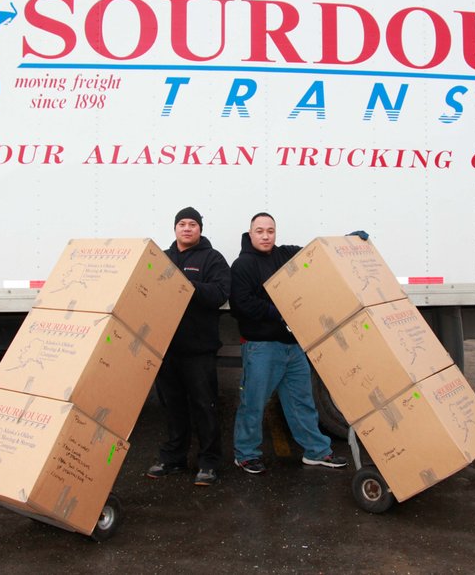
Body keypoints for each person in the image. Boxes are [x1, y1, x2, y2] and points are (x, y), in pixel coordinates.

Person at [229, 212, 348, 474]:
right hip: (261, 347)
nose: (265, 236)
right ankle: (246, 454)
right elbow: (240, 304)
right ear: (250, 233)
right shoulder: (243, 264)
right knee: (253, 402)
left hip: (292, 347)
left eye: (270, 231)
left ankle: (316, 451)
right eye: (260, 231)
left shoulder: (285, 255)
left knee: (301, 402)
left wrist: (345, 242)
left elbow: (315, 254)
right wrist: (277, 311)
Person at [146, 207, 231, 486]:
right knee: (173, 406)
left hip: (198, 350)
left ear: (200, 229)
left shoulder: (212, 258)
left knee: (204, 406)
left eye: (192, 224)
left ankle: (209, 462)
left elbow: (220, 293)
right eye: (181, 224)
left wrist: (187, 285)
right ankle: (174, 458)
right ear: (175, 228)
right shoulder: (162, 258)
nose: (186, 228)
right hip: (167, 348)